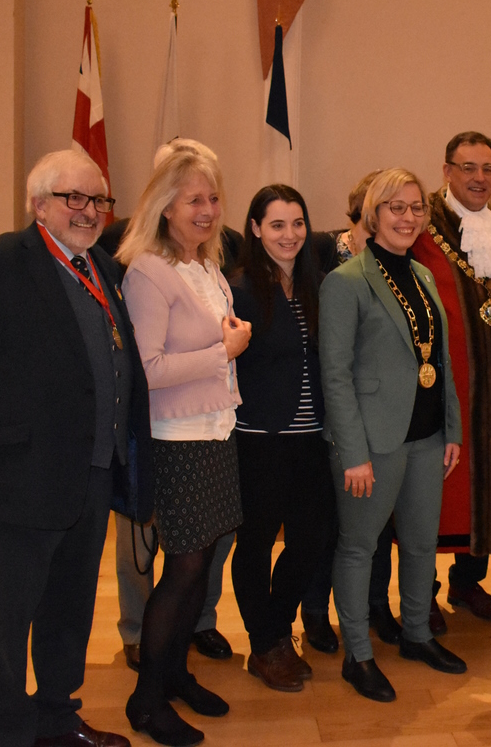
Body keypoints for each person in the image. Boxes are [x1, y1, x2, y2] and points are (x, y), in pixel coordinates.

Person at [0, 149, 152, 747]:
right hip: (14, 481)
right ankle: (5, 734)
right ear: (40, 204)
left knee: (70, 612)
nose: (88, 210)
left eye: (98, 199)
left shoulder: (103, 266)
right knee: (8, 624)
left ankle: (57, 720)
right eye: (72, 197)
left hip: (90, 477)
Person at [117, 147, 250, 745]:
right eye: (194, 199)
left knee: (200, 566)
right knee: (185, 568)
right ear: (164, 206)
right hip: (177, 440)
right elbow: (147, 370)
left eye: (213, 198)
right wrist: (223, 352)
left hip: (216, 431)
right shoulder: (148, 270)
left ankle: (175, 676)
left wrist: (226, 348)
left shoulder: (208, 266)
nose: (208, 210)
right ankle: (146, 699)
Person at [320, 168, 465, 702]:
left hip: (427, 439)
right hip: (371, 445)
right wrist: (352, 454)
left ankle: (417, 635)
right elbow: (334, 375)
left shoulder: (424, 276)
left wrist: (451, 427)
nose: (408, 217)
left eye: (415, 208)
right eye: (395, 208)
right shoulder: (346, 281)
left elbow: (440, 360)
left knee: (423, 545)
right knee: (359, 547)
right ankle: (358, 655)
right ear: (372, 215)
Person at [228, 185, 334, 693]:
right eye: (276, 225)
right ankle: (265, 642)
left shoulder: (318, 284)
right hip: (260, 439)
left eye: (297, 223)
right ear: (254, 228)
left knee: (312, 539)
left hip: (313, 439)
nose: (289, 235)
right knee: (255, 543)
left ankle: (274, 630)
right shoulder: (240, 288)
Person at [412, 131, 491, 625]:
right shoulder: (420, 218)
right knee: (437, 491)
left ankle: (467, 585)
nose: (480, 178)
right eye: (468, 167)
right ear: (447, 170)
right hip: (441, 383)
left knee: (487, 487)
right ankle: (422, 592)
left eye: (488, 167)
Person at [301, 169, 403, 653]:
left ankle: (376, 606)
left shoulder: (401, 260)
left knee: (377, 527)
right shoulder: (322, 253)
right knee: (329, 527)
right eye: (383, 209)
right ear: (364, 212)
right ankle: (317, 614)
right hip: (327, 415)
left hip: (381, 421)